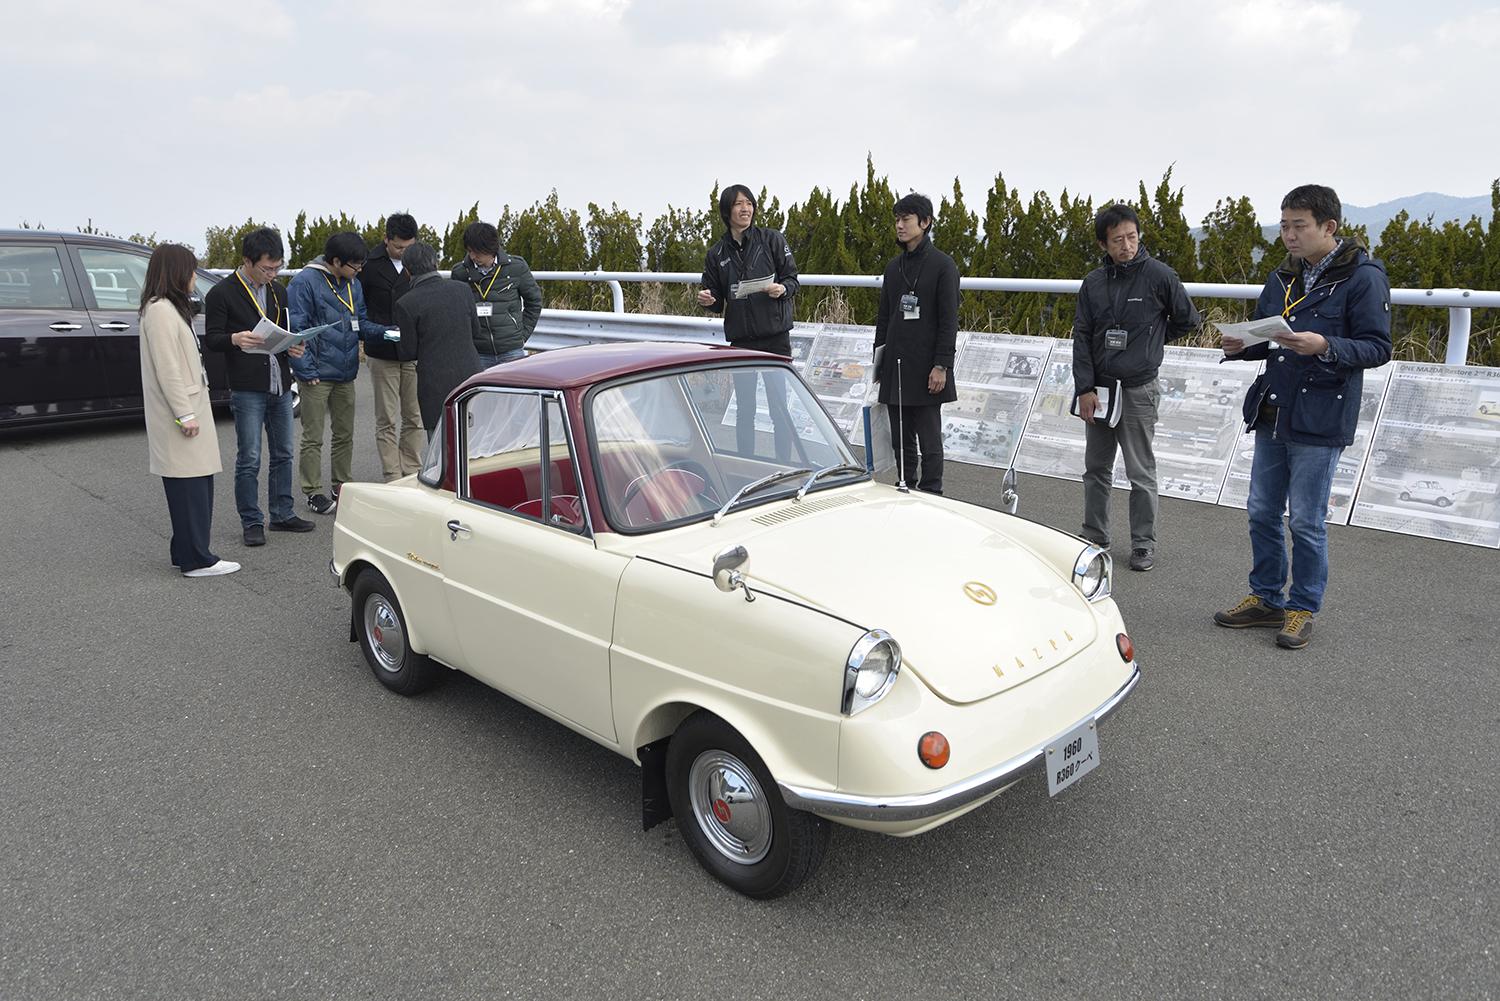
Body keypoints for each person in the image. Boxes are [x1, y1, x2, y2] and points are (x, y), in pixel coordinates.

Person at [1214, 184, 1392, 649]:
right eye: (1284, 226)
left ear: (1328, 227)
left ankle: (1302, 606)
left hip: (1321, 413)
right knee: (1262, 511)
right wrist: (1240, 346)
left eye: (1299, 226)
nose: (1288, 236)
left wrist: (1326, 345)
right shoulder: (1283, 277)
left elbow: (1378, 347)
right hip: (1273, 405)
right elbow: (1266, 334)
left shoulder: (1363, 276)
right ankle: (1266, 597)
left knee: (1306, 520)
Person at [1072, 203, 1201, 572]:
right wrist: (1084, 387)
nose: (1126, 245)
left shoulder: (1160, 275)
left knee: (1140, 470)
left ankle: (1143, 543)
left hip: (1139, 388)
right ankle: (1094, 535)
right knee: (1095, 468)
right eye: (1117, 240)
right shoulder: (1094, 283)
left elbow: (1187, 320)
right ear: (1103, 244)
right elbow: (1081, 336)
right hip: (1098, 389)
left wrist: (1151, 342)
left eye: (1131, 237)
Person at [203, 228, 315, 547]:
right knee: (250, 456)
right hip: (247, 385)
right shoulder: (222, 293)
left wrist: (293, 347)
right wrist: (234, 339)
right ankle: (252, 520)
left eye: (277, 267)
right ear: (247, 261)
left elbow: (281, 332)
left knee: (283, 452)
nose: (273, 274)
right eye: (267, 268)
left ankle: (282, 513)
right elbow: (211, 339)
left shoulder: (279, 291)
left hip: (279, 381)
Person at [138, 244, 239, 577]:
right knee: (190, 486)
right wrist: (184, 413)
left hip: (186, 407)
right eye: (192, 269)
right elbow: (168, 368)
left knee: (192, 483)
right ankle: (197, 559)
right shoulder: (161, 310)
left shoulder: (164, 307)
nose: (195, 276)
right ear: (177, 272)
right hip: (181, 412)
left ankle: (185, 551)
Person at [697, 183, 802, 460]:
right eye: (738, 204)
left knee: (779, 406)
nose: (746, 209)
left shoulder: (772, 240)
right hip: (741, 339)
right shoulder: (717, 254)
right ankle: (746, 465)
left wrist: (782, 289)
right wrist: (709, 300)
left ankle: (785, 466)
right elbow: (717, 299)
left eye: (749, 203)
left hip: (775, 335)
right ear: (726, 211)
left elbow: (792, 279)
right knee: (745, 408)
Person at [287, 231, 387, 515]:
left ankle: (341, 484)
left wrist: (386, 332)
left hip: (346, 370)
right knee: (313, 435)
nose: (359, 271)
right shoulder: (304, 282)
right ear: (335, 260)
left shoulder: (353, 283)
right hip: (316, 373)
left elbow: (362, 320)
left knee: (345, 433)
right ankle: (312, 491)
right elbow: (297, 328)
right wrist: (305, 370)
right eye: (354, 265)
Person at [873, 192, 959, 494]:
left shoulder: (943, 266)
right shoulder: (893, 267)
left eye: (906, 219)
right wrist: (878, 362)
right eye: (897, 219)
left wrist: (941, 365)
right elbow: (884, 318)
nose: (899, 225)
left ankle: (933, 491)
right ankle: (905, 484)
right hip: (895, 362)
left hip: (927, 366)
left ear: (925, 222)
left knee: (929, 438)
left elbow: (949, 321)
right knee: (901, 437)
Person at [359, 212, 423, 481]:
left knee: (414, 416)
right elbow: (359, 310)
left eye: (408, 247)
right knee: (386, 418)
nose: (403, 252)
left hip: (412, 351)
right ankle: (393, 474)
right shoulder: (368, 267)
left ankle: (412, 469)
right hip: (382, 352)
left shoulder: (419, 263)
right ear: (386, 239)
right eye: (398, 247)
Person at [393, 242, 483, 432]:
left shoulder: (406, 303)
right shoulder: (462, 290)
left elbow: (408, 352)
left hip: (434, 383)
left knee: (441, 445)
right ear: (435, 263)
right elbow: (476, 332)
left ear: (407, 271)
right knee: (474, 438)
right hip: (470, 373)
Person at [450, 222, 542, 368]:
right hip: (478, 352)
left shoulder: (516, 267)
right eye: (469, 251)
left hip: (511, 350)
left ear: (491, 249)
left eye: (477, 252)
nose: (472, 256)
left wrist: (521, 336)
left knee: (512, 391)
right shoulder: (460, 272)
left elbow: (535, 301)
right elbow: (456, 311)